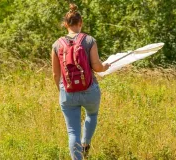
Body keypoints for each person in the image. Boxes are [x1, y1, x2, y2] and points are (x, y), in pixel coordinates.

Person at [51, 3, 110, 160]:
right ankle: (86, 143)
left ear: (65, 24)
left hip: (67, 92)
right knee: (92, 114)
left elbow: (55, 75)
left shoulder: (56, 45)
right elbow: (97, 67)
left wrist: (62, 91)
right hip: (90, 89)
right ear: (80, 23)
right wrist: (105, 66)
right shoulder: (89, 40)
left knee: (72, 131)